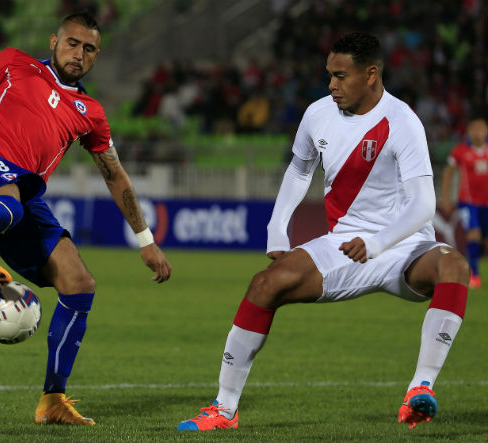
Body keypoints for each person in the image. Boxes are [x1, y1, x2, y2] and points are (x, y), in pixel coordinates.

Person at [177, 32, 470, 431]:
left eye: (340, 76)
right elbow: (299, 170)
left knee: (453, 264)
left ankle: (421, 388)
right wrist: (277, 228)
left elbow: (423, 205)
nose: (331, 84)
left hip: (402, 246)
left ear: (370, 75)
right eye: (329, 75)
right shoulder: (318, 114)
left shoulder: (403, 121)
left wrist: (379, 241)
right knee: (263, 286)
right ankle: (224, 410)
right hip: (345, 243)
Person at [0, 12, 172, 425]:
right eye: (73, 43)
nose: (79, 54)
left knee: (79, 283)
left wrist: (145, 239)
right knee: (12, 197)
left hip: (24, 193)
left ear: (97, 55)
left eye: (89, 48)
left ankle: (53, 399)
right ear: (54, 41)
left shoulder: (90, 112)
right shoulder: (13, 63)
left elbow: (114, 174)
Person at [441, 117, 488, 289]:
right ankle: (474, 275)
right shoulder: (460, 151)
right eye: (474, 129)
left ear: (486, 132)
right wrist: (446, 197)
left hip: (486, 204)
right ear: (469, 132)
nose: (477, 133)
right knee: (474, 233)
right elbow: (448, 173)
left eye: (481, 129)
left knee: (482, 239)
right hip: (468, 203)